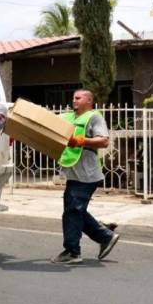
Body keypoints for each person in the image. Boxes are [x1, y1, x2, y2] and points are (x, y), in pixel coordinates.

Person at [51, 89, 120, 264]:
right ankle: (105, 236)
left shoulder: (94, 117)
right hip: (74, 173)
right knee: (75, 211)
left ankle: (73, 252)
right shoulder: (68, 117)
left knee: (73, 211)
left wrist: (81, 140)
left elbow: (104, 140)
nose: (74, 100)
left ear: (89, 100)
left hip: (87, 175)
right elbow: (48, 123)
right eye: (73, 97)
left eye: (78, 98)